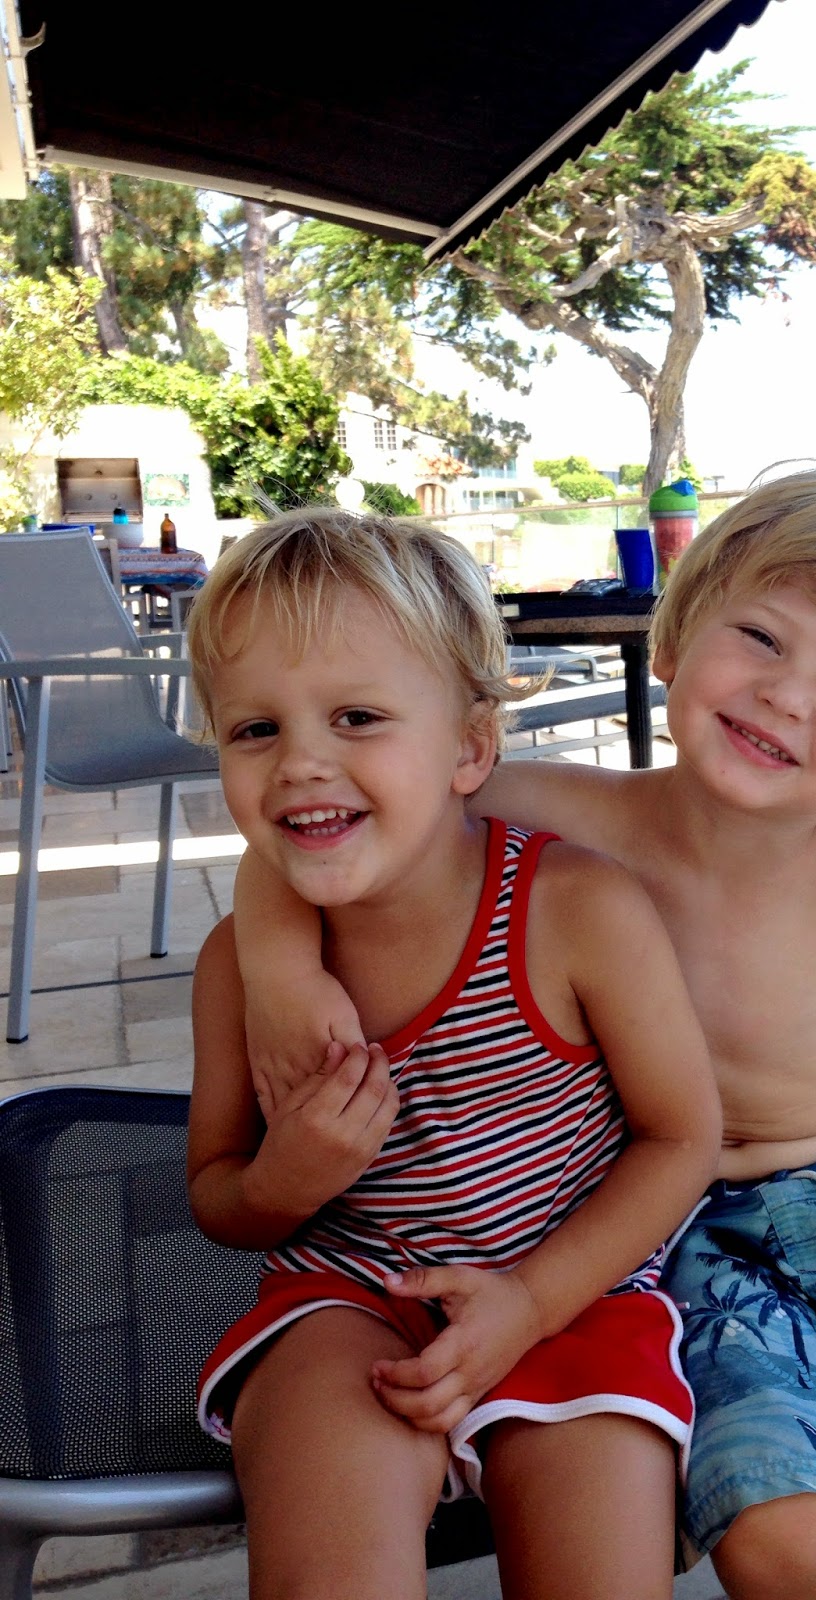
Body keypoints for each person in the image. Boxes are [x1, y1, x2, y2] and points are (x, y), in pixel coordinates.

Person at [233, 469, 816, 1600]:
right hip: (663, 1233)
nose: (786, 695)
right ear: (676, 641)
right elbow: (322, 825)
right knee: (778, 1537)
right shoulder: (561, 812)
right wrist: (278, 970)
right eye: (761, 638)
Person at [183, 507, 721, 1600]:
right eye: (255, 730)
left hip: (570, 1289)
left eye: (357, 717)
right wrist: (285, 1181)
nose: (302, 763)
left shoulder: (575, 909)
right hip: (346, 1300)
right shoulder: (241, 966)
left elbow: (683, 1136)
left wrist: (530, 1302)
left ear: (471, 747)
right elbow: (218, 1196)